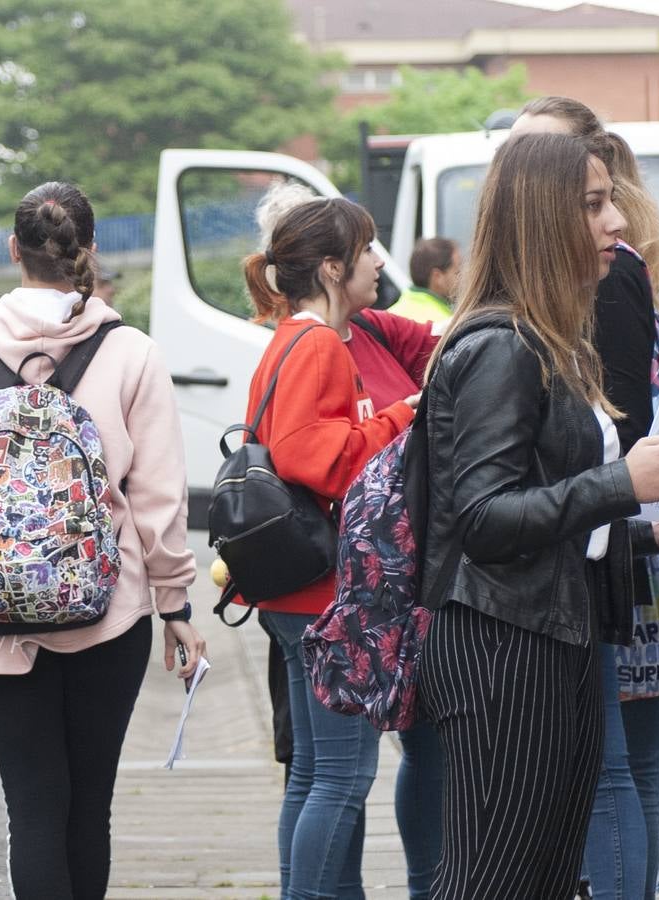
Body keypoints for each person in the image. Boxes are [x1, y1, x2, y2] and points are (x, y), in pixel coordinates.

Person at [0, 180, 203, 899]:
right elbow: (159, 499)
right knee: (89, 808)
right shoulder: (133, 352)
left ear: (13, 251)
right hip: (105, 612)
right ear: (90, 251)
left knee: (33, 806)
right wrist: (174, 605)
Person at [418, 131, 659, 899]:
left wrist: (642, 529)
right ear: (541, 218)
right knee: (493, 880)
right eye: (594, 206)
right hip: (503, 650)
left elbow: (542, 514)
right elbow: (483, 520)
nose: (616, 224)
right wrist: (619, 485)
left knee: (546, 876)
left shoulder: (552, 340)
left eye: (611, 204)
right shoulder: (504, 347)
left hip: (549, 635)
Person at [236, 194, 417, 899]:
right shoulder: (317, 343)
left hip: (290, 588)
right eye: (369, 249)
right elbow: (319, 460)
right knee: (343, 779)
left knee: (314, 773)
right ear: (335, 267)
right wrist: (406, 413)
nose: (379, 262)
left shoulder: (289, 337)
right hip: (323, 592)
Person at [513, 97, 659, 900]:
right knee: (621, 766)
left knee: (620, 768)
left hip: (603, 551)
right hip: (592, 541)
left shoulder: (608, 275)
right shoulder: (525, 300)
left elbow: (621, 430)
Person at [391, 237, 458, 324]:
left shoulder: (391, 315)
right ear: (437, 276)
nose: (463, 278)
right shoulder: (444, 324)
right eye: (458, 272)